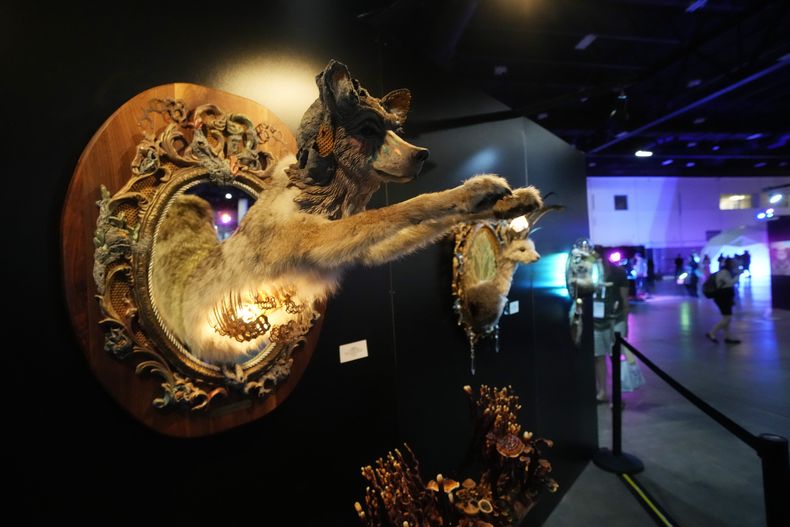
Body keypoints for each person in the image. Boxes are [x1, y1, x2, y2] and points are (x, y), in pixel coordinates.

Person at [593, 250, 629, 403]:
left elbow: (624, 299)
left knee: (615, 357)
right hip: (596, 321)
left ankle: (617, 395)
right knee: (598, 357)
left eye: (599, 258)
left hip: (615, 319)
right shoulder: (591, 274)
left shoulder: (618, 272)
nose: (597, 261)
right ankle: (602, 391)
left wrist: (626, 322)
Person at [706, 258, 742, 344]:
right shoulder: (723, 273)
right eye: (734, 263)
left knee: (726, 318)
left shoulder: (726, 272)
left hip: (725, 297)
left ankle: (727, 337)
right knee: (727, 318)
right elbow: (730, 283)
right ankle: (712, 333)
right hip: (722, 297)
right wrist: (738, 275)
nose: (735, 264)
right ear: (730, 264)